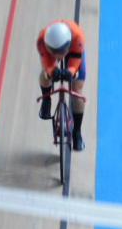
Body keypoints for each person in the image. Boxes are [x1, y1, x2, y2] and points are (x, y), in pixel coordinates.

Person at [36, 19, 86, 151]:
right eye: (54, 52)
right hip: (49, 49)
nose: (58, 56)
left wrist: (70, 71)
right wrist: (51, 71)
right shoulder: (42, 40)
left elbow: (75, 61)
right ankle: (46, 100)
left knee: (77, 90)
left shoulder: (77, 38)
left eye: (60, 52)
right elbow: (47, 62)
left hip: (73, 50)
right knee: (46, 74)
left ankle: (77, 132)